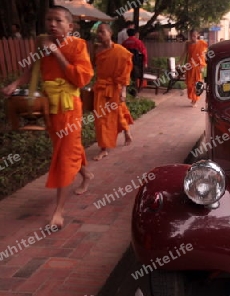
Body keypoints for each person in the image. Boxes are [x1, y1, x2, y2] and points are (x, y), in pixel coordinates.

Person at [1, 6, 94, 228]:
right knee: (66, 149)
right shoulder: (41, 43)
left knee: (63, 156)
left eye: (58, 21)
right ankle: (86, 175)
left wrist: (56, 52)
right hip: (51, 107)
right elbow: (30, 71)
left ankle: (58, 212)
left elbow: (81, 79)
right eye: (49, 20)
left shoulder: (78, 45)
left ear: (70, 26)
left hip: (70, 107)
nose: (52, 24)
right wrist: (15, 84)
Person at [92, 23, 134, 161]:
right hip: (100, 88)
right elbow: (94, 69)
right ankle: (103, 148)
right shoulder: (97, 50)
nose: (99, 34)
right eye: (98, 32)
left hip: (115, 88)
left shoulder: (121, 52)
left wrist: (123, 91)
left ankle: (126, 132)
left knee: (117, 114)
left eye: (102, 31)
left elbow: (125, 74)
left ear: (110, 33)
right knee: (100, 120)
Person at [180, 30, 208, 107]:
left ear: (198, 35)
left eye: (195, 35)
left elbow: (209, 48)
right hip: (190, 66)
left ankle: (195, 100)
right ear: (190, 35)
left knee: (197, 84)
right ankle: (192, 98)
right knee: (190, 84)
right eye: (192, 36)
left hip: (198, 67)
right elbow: (184, 53)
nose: (194, 37)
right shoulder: (188, 43)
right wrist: (179, 62)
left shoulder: (202, 43)